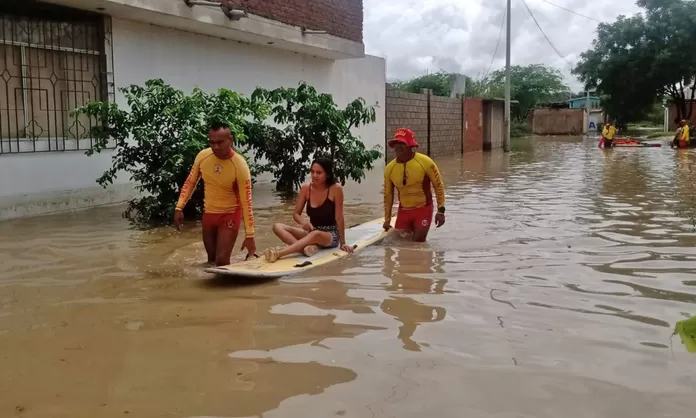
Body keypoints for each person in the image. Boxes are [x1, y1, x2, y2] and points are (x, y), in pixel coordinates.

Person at [173, 122, 256, 266]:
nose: (216, 147)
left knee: (222, 261)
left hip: (230, 215)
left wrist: (250, 235)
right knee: (211, 261)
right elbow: (190, 182)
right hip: (209, 214)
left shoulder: (239, 165)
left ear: (230, 140)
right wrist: (179, 207)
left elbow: (246, 201)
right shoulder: (203, 156)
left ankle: (229, 287)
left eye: (220, 142)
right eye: (212, 142)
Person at [264, 157, 353, 262]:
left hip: (330, 235)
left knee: (315, 234)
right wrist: (304, 223)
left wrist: (342, 243)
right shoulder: (306, 188)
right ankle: (305, 250)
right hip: (312, 231)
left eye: (319, 172)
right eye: (312, 172)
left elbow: (339, 217)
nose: (314, 175)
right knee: (277, 227)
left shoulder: (336, 189)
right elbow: (296, 214)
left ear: (327, 174)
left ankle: (278, 254)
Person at [383, 128, 446, 242]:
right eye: (396, 143)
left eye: (402, 143)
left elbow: (438, 185)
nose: (398, 146)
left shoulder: (426, 162)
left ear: (410, 146)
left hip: (423, 210)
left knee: (418, 244)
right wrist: (387, 220)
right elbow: (388, 195)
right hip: (404, 211)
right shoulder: (389, 169)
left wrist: (440, 210)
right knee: (401, 246)